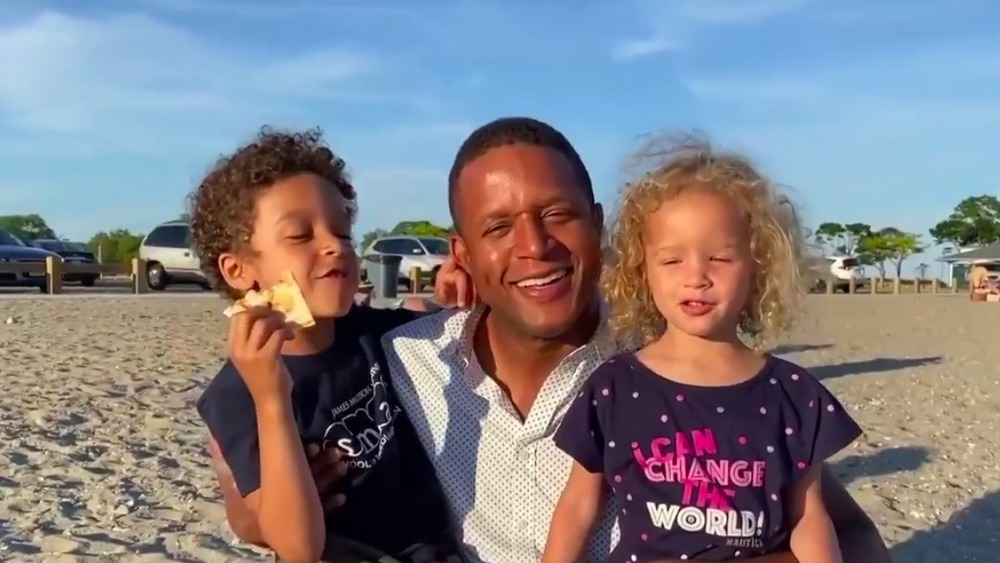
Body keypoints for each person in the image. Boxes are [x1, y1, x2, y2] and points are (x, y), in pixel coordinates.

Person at [219, 118, 890, 563]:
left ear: (598, 226)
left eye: (558, 215)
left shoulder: (678, 364)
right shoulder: (404, 359)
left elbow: (851, 533)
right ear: (464, 252)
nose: (535, 247)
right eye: (499, 227)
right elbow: (277, 393)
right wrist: (250, 509)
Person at [541, 135, 861, 562]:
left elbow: (808, 515)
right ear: (642, 271)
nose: (697, 277)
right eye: (672, 260)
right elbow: (579, 506)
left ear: (758, 267)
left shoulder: (794, 394)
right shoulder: (614, 388)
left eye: (720, 259)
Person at [191, 127, 459, 563]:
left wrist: (458, 298)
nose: (334, 246)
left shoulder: (379, 335)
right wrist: (272, 397)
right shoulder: (236, 394)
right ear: (239, 270)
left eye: (344, 233)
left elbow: (463, 330)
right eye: (300, 236)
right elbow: (297, 548)